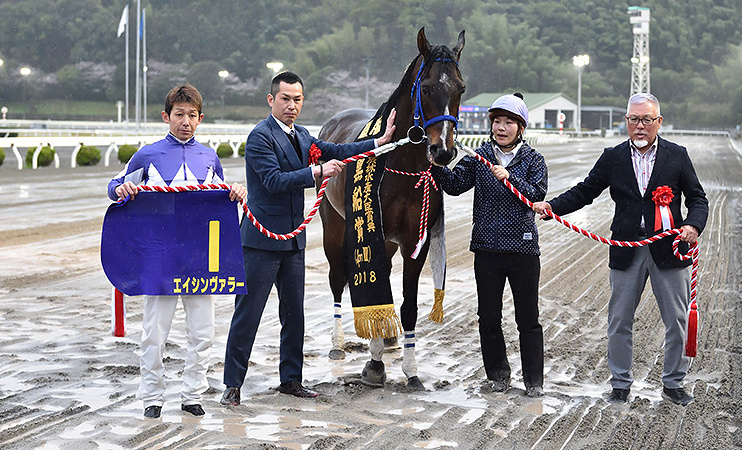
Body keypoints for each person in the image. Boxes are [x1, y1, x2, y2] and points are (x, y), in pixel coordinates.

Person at [221, 71, 396, 405]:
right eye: (285, 99)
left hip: (292, 242)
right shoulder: (259, 137)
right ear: (271, 100)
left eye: (297, 100)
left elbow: (339, 149)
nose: (292, 106)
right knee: (248, 314)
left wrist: (379, 141)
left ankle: (291, 379)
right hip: (260, 241)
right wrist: (317, 171)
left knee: (294, 315)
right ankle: (233, 384)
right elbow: (274, 180)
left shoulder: (302, 136)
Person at [533, 93, 708, 407]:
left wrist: (693, 226)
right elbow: (585, 191)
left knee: (677, 320)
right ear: (626, 121)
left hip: (668, 250)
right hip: (626, 250)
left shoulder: (677, 155)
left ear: (659, 122)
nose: (640, 126)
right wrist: (552, 207)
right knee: (619, 320)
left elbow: (698, 198)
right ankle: (620, 384)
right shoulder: (612, 156)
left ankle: (673, 383)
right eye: (634, 120)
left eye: (647, 120)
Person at [107, 84, 247, 419]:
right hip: (161, 259)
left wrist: (236, 190)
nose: (185, 121)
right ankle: (152, 397)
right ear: (166, 116)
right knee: (154, 333)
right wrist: (121, 187)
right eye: (179, 114)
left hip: (202, 260)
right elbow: (113, 186)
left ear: (201, 118)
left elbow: (222, 199)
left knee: (202, 332)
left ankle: (192, 394)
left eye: (192, 115)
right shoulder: (148, 154)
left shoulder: (210, 157)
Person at [431, 93, 548, 397]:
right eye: (497, 121)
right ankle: (497, 375)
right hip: (486, 249)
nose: (501, 127)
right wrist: (432, 165)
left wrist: (510, 177)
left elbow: (537, 194)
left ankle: (534, 382)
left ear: (520, 127)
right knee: (489, 316)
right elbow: (455, 185)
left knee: (528, 319)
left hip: (522, 250)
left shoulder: (534, 159)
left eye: (508, 122)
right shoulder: (480, 156)